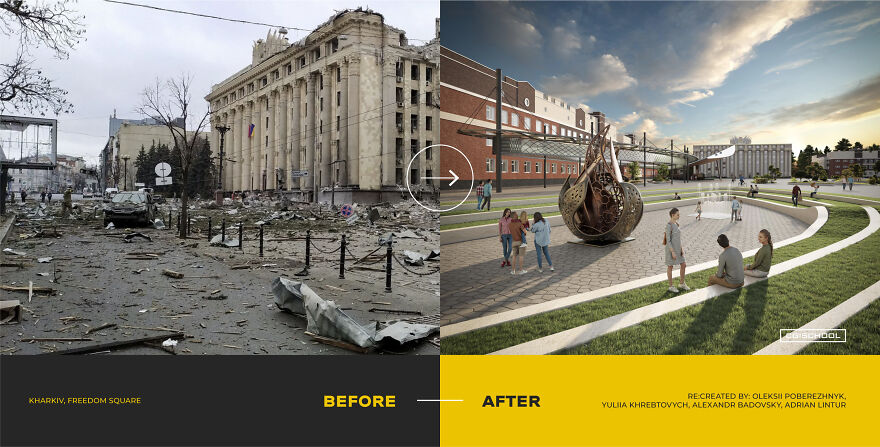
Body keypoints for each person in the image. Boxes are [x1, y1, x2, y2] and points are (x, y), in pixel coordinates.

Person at [664, 207, 689, 293]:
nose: (679, 216)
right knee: (670, 267)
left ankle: (682, 283)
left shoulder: (676, 224)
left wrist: (681, 249)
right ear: (672, 215)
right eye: (677, 214)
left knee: (683, 264)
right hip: (671, 250)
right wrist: (672, 252)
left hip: (678, 249)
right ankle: (671, 286)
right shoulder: (668, 226)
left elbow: (678, 239)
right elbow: (668, 240)